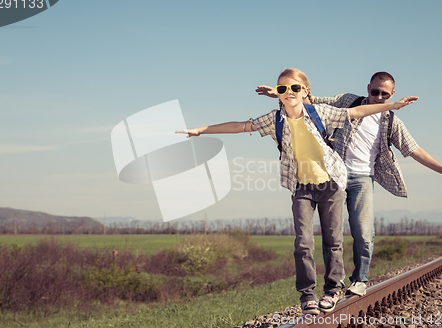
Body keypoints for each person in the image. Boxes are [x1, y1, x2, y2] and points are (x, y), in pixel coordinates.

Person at [177, 68, 417, 314]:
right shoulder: (274, 119)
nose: (288, 93)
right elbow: (240, 126)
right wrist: (201, 130)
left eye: (293, 88)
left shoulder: (319, 112)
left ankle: (333, 290)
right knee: (303, 243)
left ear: (305, 92)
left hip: (330, 185)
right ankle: (308, 295)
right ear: (278, 94)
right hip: (301, 187)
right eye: (282, 89)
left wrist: (392, 106)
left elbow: (355, 111)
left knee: (333, 241)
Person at [255, 71, 442, 298]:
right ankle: (334, 283)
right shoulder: (349, 102)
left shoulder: (391, 121)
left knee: (363, 232)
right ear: (368, 88)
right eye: (375, 92)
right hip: (334, 175)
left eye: (385, 94)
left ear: (392, 94)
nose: (379, 97)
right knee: (331, 234)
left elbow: (414, 149)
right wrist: (280, 92)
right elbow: (311, 101)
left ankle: (359, 280)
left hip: (363, 179)